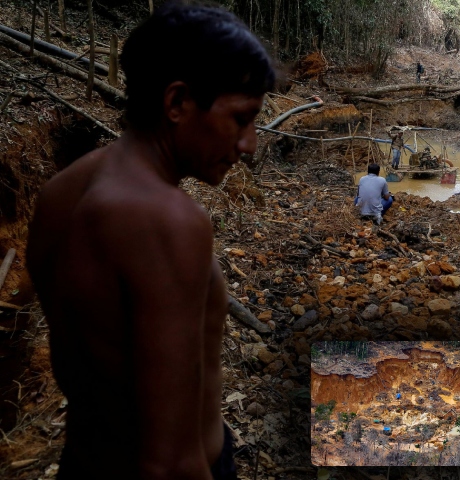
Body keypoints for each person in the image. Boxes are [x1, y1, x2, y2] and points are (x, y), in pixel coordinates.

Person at [25, 3, 275, 479]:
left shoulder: (61, 193)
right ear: (177, 103)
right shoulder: (167, 220)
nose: (250, 145)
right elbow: (170, 463)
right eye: (241, 119)